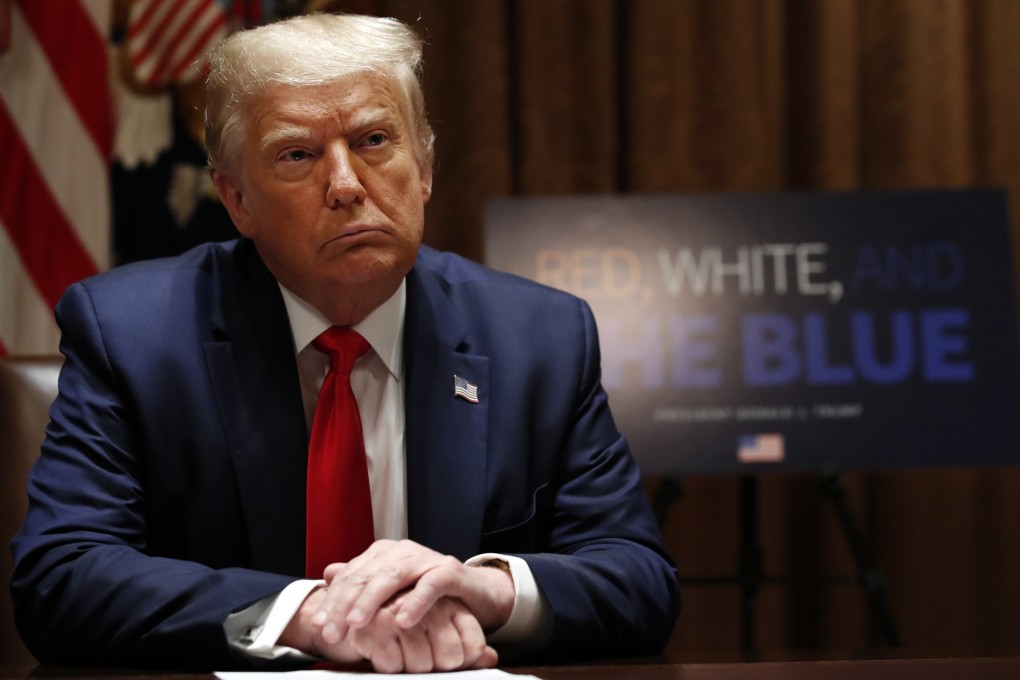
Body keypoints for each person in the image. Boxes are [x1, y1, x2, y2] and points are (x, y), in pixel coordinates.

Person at [10, 12, 680, 673]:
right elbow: (62, 577)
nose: (347, 186)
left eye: (374, 140)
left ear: (423, 167)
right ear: (237, 199)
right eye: (297, 155)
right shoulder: (133, 337)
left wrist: (488, 588)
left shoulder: (539, 339)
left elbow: (638, 577)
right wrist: (309, 616)